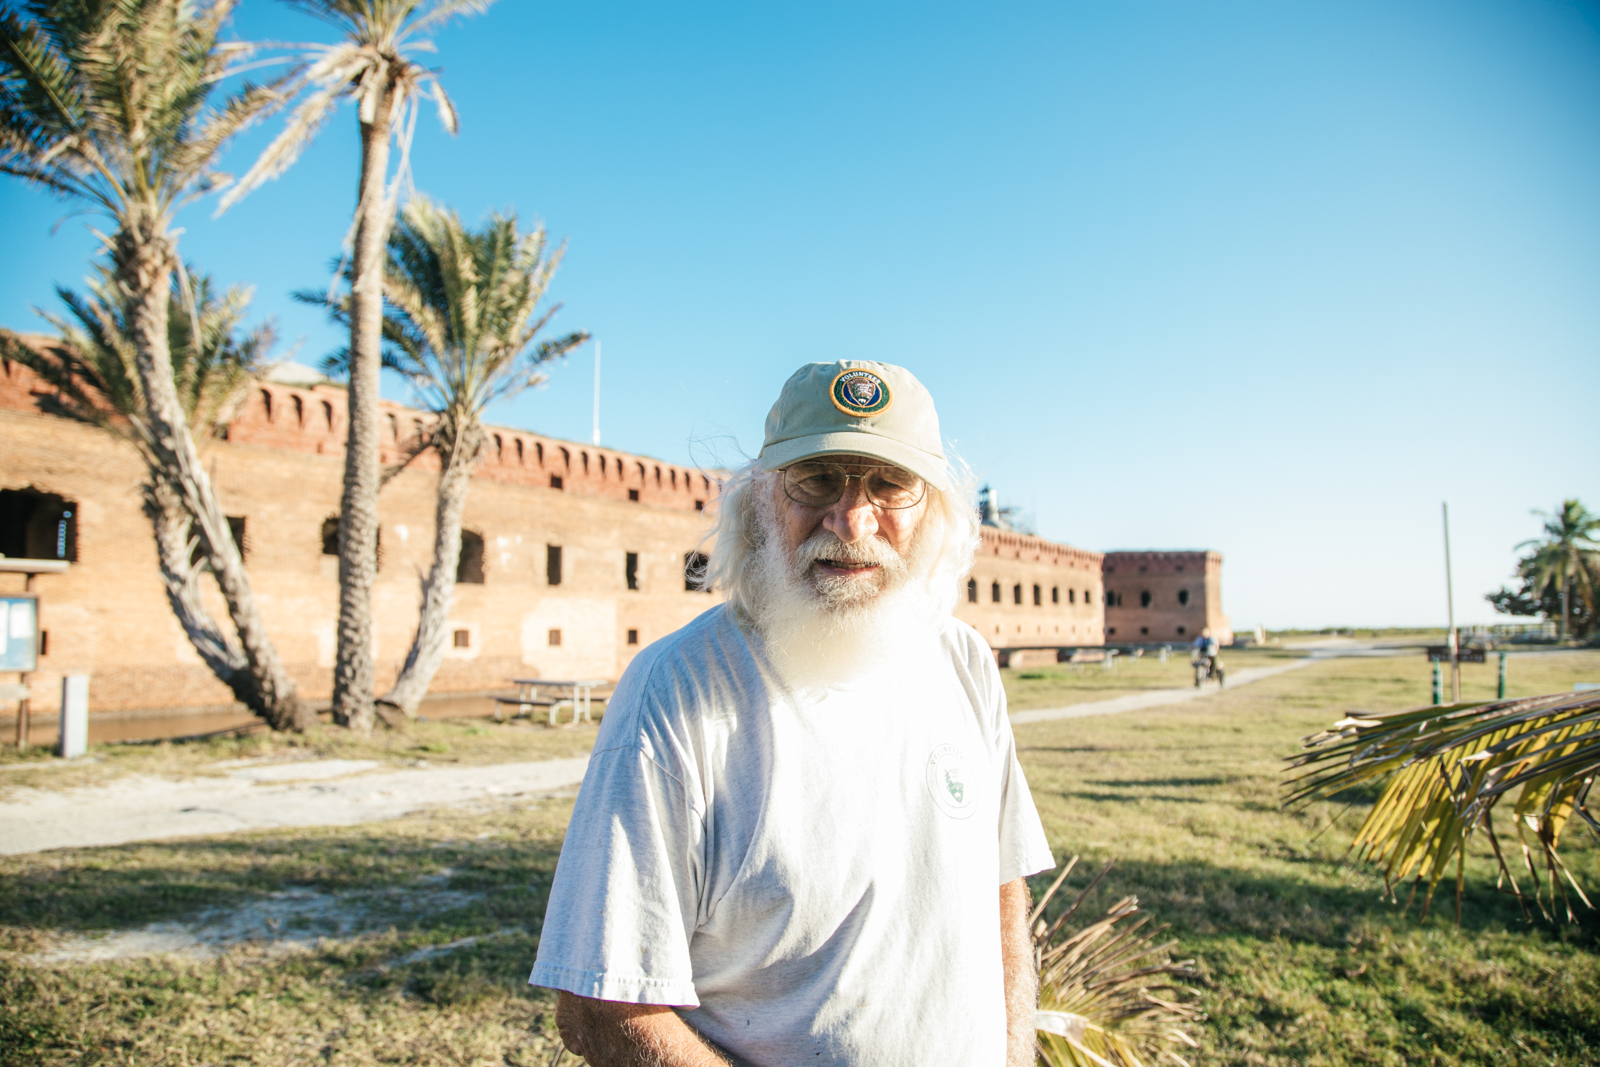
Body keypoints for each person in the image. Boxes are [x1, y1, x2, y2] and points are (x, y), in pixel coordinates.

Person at [530, 360, 1055, 1067]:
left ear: (934, 509)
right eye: (817, 480)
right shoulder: (676, 692)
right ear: (758, 501)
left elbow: (999, 890)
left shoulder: (964, 663)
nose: (851, 519)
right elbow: (602, 1007)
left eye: (888, 484)